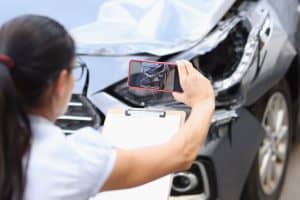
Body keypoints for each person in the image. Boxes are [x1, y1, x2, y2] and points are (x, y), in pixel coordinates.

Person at [0, 15, 215, 200]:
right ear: (60, 82)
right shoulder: (68, 163)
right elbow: (179, 155)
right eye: (76, 69)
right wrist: (203, 101)